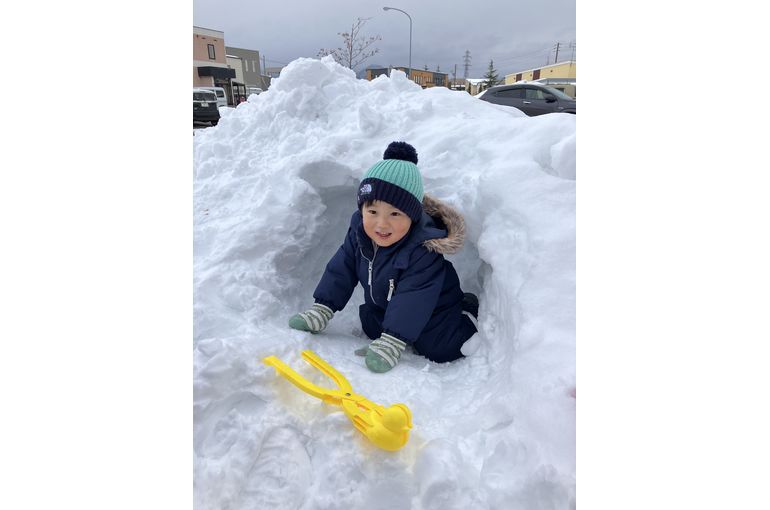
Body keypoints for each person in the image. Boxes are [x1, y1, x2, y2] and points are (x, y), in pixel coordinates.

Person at [289, 141, 479, 373]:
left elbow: (414, 297)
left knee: (440, 347)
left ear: (412, 216)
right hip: (387, 304)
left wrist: (393, 340)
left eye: (395, 213)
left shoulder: (421, 249)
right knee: (371, 322)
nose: (381, 224)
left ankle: (466, 310)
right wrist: (323, 308)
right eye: (372, 212)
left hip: (433, 308)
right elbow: (342, 268)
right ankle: (396, 330)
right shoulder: (360, 233)